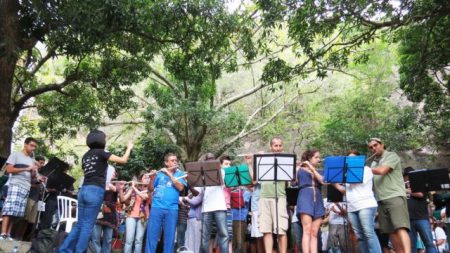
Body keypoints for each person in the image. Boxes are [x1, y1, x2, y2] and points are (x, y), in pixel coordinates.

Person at [60, 130, 133, 253]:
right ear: (101, 140)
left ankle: (64, 250)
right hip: (95, 191)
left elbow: (86, 174)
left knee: (80, 224)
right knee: (88, 225)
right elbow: (123, 160)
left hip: (83, 190)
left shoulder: (85, 156)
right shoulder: (102, 152)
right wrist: (129, 148)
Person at [333, 150, 381, 253]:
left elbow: (356, 180)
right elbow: (344, 191)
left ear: (359, 160)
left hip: (366, 205)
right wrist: (333, 182)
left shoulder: (366, 169)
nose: (351, 160)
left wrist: (341, 176)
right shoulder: (347, 174)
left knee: (368, 233)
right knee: (359, 236)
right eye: (349, 159)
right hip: (352, 207)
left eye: (354, 158)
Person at [368, 138, 411, 253]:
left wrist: (365, 169)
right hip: (381, 199)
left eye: (375, 145)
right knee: (390, 231)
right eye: (371, 147)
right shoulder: (373, 163)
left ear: (382, 144)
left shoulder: (392, 155)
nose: (373, 148)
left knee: (400, 228)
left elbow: (382, 170)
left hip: (395, 196)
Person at [146, 153, 187, 253]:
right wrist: (152, 179)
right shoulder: (159, 174)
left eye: (175, 160)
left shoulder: (180, 174)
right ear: (166, 163)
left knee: (170, 237)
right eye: (172, 160)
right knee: (152, 235)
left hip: (172, 209)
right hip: (156, 207)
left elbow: (180, 187)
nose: (175, 162)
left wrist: (169, 174)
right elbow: (150, 189)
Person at [0, 137, 40, 241]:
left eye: (35, 147)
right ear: (25, 144)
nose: (33, 148)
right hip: (15, 184)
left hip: (26, 187)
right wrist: (27, 168)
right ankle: (3, 233)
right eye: (31, 145)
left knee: (16, 212)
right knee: (9, 209)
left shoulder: (32, 160)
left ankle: (8, 234)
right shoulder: (16, 155)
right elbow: (9, 170)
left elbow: (32, 177)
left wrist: (35, 174)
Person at [259, 137, 289, 253]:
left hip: (279, 197)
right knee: (266, 230)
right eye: (275, 146)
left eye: (280, 145)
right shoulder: (262, 159)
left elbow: (290, 182)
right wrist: (252, 162)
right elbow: (254, 181)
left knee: (281, 230)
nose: (278, 148)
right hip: (264, 197)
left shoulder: (287, 161)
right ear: (271, 147)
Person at [297, 149, 325, 253]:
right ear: (309, 158)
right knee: (307, 230)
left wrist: (312, 169)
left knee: (314, 232)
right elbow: (292, 180)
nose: (319, 159)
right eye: (316, 157)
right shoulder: (299, 170)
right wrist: (300, 165)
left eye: (319, 157)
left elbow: (322, 180)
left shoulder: (319, 171)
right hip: (305, 198)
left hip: (317, 200)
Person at [199, 154, 229, 253]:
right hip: (206, 208)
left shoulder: (222, 171)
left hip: (220, 206)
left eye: (212, 159)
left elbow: (223, 183)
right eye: (208, 159)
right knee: (205, 236)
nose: (211, 160)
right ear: (205, 161)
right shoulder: (201, 173)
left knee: (224, 235)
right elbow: (198, 192)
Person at [403, 167, 437, 253]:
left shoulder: (420, 184)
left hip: (421, 218)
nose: (407, 178)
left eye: (409, 176)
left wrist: (407, 190)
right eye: (406, 176)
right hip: (408, 219)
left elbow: (420, 194)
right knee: (411, 245)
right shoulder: (402, 186)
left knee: (429, 243)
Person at [121, 173, 152, 253]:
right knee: (129, 240)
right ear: (141, 178)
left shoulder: (150, 189)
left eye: (149, 177)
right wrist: (121, 189)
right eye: (145, 177)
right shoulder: (134, 188)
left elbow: (144, 197)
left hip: (143, 216)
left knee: (139, 240)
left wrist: (134, 187)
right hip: (131, 215)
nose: (147, 178)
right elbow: (123, 199)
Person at [183, 187, 203, 253]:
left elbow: (195, 202)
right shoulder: (192, 192)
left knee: (196, 241)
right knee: (189, 239)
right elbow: (191, 205)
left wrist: (186, 198)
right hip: (190, 218)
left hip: (197, 219)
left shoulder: (202, 189)